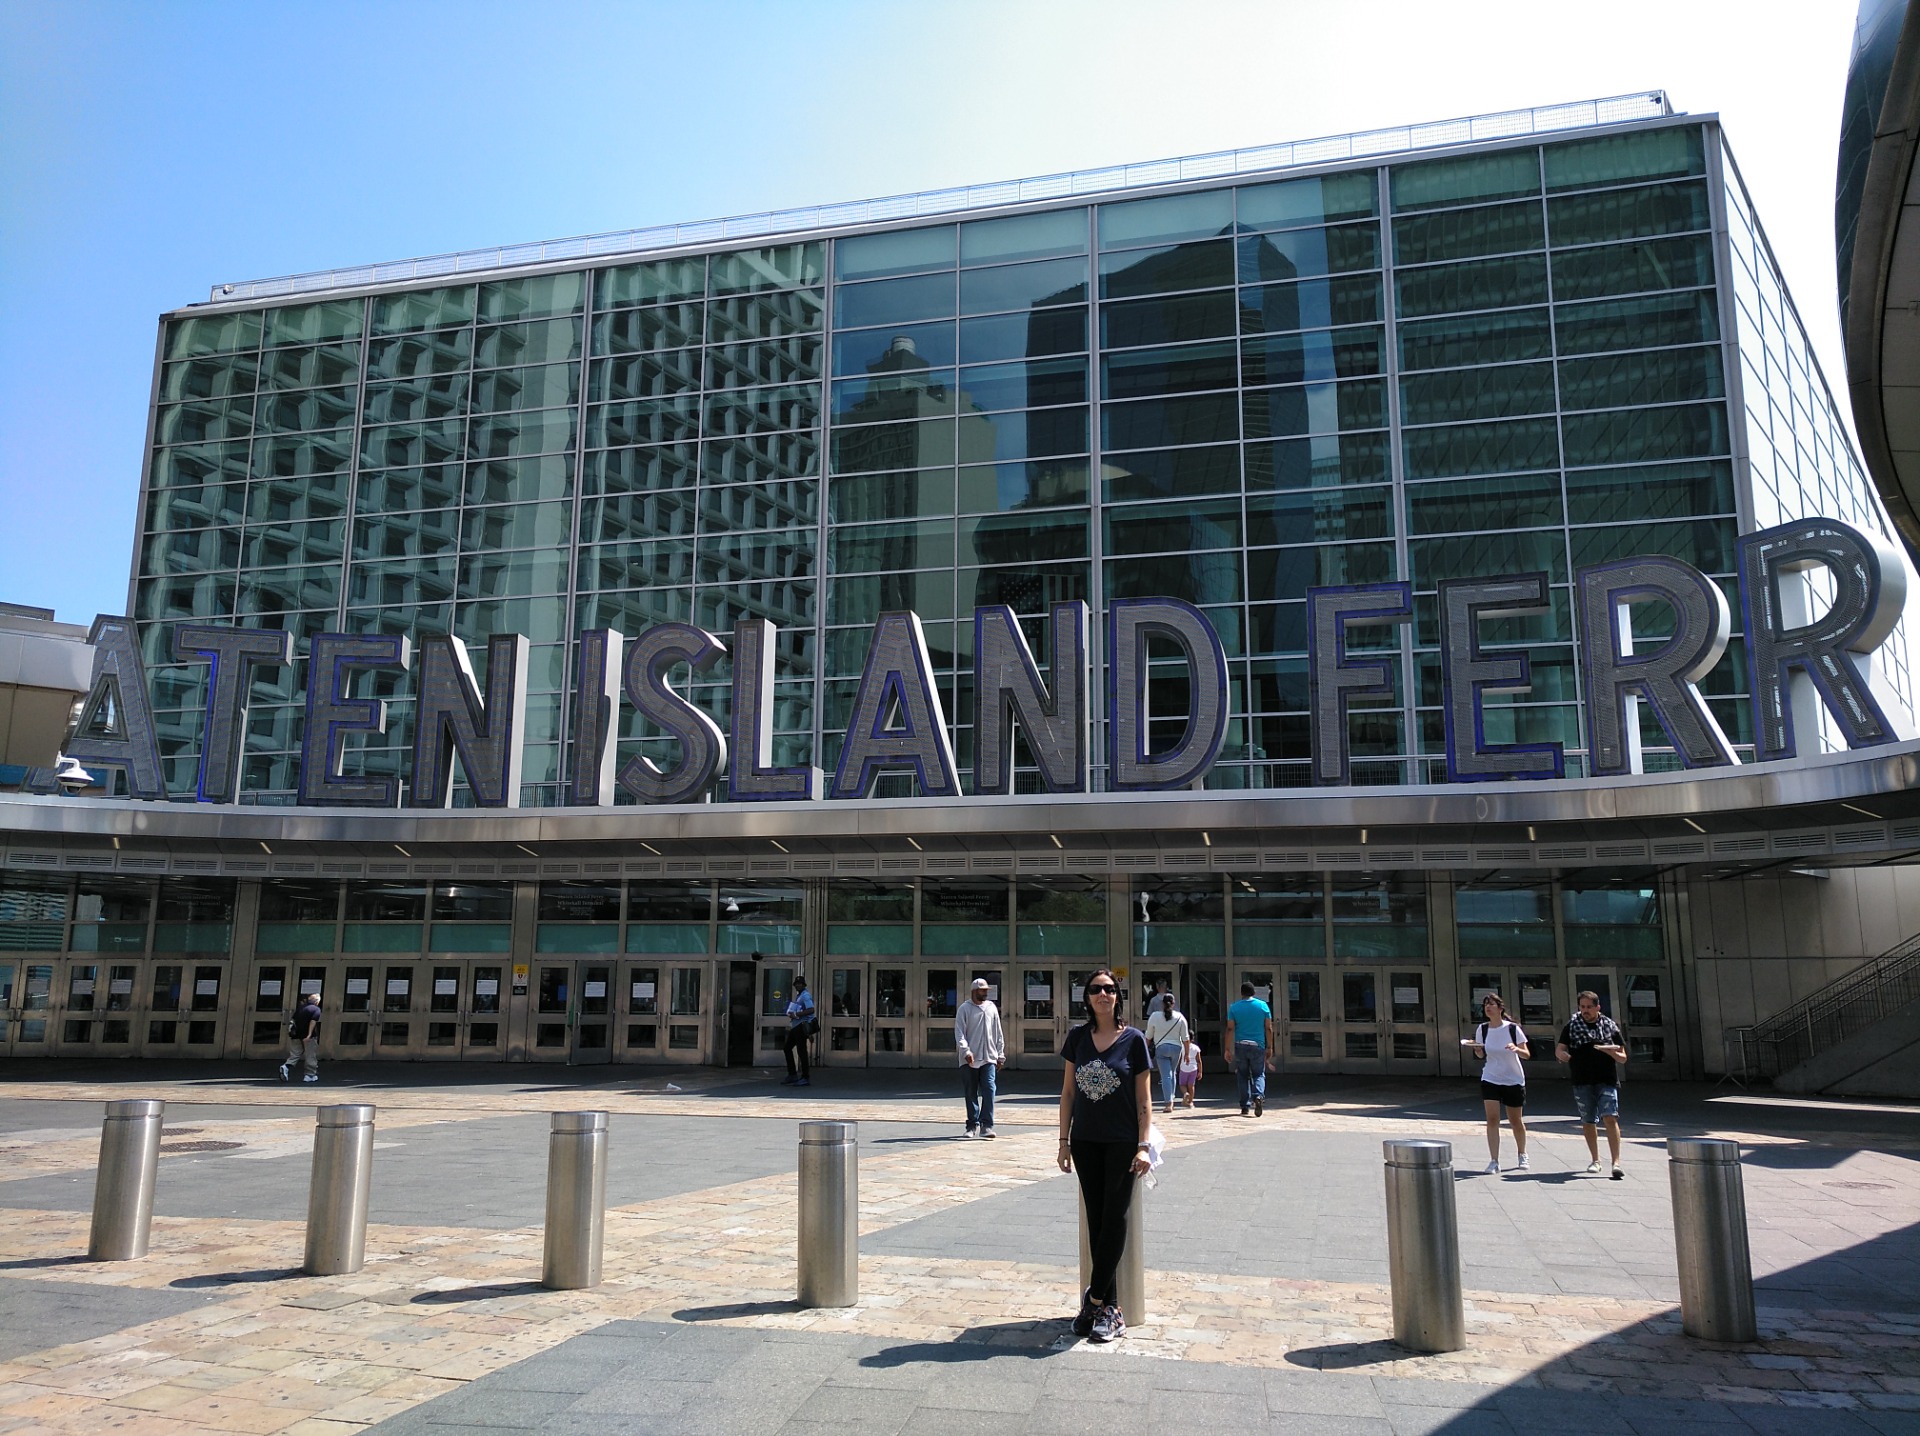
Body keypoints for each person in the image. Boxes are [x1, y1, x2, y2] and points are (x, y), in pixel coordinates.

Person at [1057, 967, 1151, 1344]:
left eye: (1109, 989)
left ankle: (1095, 1300)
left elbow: (1144, 1099)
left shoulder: (1134, 1040)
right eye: (1096, 989)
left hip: (1122, 1142)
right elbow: (1068, 1093)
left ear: (1118, 996)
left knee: (1115, 1217)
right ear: (1087, 997)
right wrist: (1063, 1141)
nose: (1103, 995)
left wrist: (1144, 1145)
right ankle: (1108, 1309)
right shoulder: (1077, 1039)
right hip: (1085, 1141)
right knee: (1096, 1220)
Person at [1556, 989, 1628, 1178]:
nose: (1585, 1010)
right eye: (1582, 1007)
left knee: (1610, 1117)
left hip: (1606, 1079)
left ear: (1598, 1007)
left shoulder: (1610, 1026)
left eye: (1589, 1007)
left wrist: (1610, 1051)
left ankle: (1616, 1162)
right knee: (1588, 1120)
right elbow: (1559, 1049)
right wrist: (1562, 1055)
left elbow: (1623, 1057)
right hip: (1582, 1079)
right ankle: (1595, 1160)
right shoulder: (1572, 1026)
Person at [1468, 992, 1529, 1173]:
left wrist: (1516, 1048)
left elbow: (1526, 1054)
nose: (1488, 1007)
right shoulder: (1482, 1029)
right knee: (1492, 1119)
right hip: (1490, 1077)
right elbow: (1481, 1054)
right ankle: (1494, 1160)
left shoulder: (1512, 1029)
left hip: (1513, 1079)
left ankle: (1522, 1153)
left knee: (1515, 1120)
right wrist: (1476, 1048)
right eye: (1486, 1004)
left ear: (1500, 1008)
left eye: (1491, 1004)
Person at [954, 977, 1005, 1138]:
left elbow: (998, 1032)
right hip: (970, 1059)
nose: (985, 993)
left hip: (989, 1057)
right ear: (975, 991)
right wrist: (966, 1051)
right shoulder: (964, 1009)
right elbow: (959, 1033)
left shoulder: (991, 1008)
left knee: (989, 1089)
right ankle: (972, 1125)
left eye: (986, 990)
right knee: (971, 1092)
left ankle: (987, 1126)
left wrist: (1000, 1054)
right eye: (983, 990)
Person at [1225, 980, 1276, 1116]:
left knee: (1242, 1075)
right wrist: (1270, 1046)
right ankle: (1258, 1095)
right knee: (1259, 1073)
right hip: (1258, 1045)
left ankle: (1245, 1106)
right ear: (1254, 992)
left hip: (1240, 1044)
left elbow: (1230, 1028)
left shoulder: (1234, 1007)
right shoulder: (1263, 1006)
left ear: (1241, 993)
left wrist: (1227, 1049)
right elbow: (1268, 1028)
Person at [1143, 992, 1190, 1114]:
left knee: (1166, 1076)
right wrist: (1187, 1054)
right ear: (1173, 1004)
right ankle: (1172, 1098)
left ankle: (1168, 1102)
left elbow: (1148, 1036)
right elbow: (1186, 1038)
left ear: (1162, 1004)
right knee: (1172, 1073)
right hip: (1176, 1048)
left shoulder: (1155, 1016)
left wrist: (1144, 1050)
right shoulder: (1180, 1017)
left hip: (1161, 1048)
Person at [279, 991, 322, 1084]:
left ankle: (286, 1066)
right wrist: (309, 1034)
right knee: (310, 1055)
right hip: (308, 1036)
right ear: (317, 1002)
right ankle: (310, 1075)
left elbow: (293, 1021)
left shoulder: (300, 1009)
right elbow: (313, 1022)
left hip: (296, 1035)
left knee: (295, 1054)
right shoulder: (316, 1009)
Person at [781, 976, 816, 1087]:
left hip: (801, 1026)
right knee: (787, 1048)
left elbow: (811, 1009)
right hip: (796, 1026)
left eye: (800, 983)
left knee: (802, 1051)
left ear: (804, 985)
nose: (798, 985)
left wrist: (797, 1014)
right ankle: (792, 1074)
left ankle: (805, 1077)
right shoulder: (799, 995)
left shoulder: (805, 995)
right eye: (796, 984)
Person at [1175, 1032, 1203, 1108]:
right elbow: (1199, 1061)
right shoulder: (1196, 1048)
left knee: (1182, 1084)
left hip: (1184, 1068)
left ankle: (1185, 1093)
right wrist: (1200, 1071)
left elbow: (1179, 1058)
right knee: (1191, 1085)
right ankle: (1190, 1102)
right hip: (1193, 1068)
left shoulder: (1182, 1047)